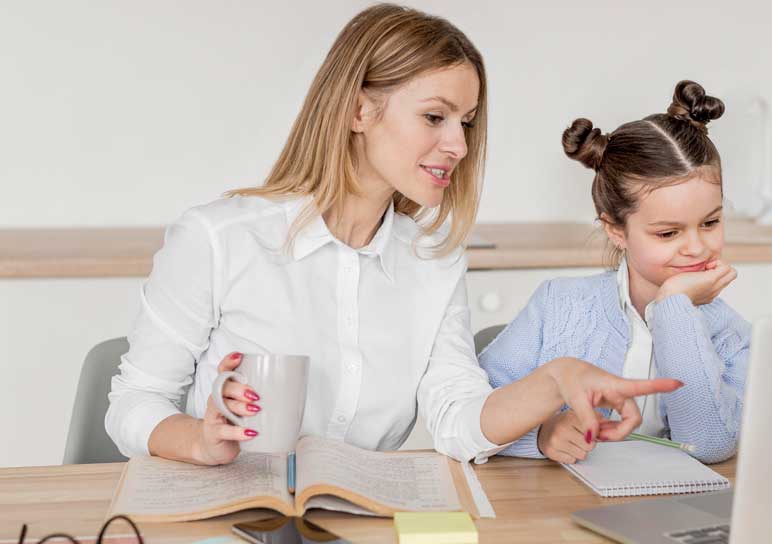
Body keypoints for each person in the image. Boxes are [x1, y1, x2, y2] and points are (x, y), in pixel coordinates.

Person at [106, 4, 680, 466]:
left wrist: (560, 377)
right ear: (358, 110)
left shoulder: (432, 259)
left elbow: (458, 418)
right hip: (230, 516)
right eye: (435, 117)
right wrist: (202, 441)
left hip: (359, 529)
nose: (458, 144)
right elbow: (134, 404)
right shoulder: (217, 238)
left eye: (467, 122)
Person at [479, 80, 751, 465]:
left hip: (673, 511)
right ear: (615, 230)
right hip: (560, 507)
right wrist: (540, 436)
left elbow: (708, 444)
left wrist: (674, 307)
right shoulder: (558, 304)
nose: (696, 246)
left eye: (710, 222)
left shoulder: (733, 336)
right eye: (669, 232)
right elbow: (476, 414)